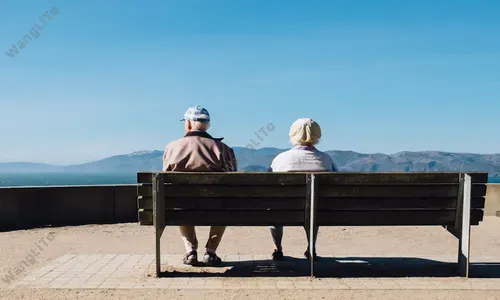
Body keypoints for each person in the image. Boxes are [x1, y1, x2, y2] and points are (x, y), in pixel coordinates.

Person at [163, 105, 237, 266]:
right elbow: (233, 181)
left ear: (189, 124)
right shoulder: (223, 149)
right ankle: (210, 251)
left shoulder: (172, 148)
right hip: (216, 206)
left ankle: (190, 251)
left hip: (182, 206)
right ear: (207, 125)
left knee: (180, 203)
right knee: (223, 205)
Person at [268, 118, 338, 261]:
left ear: (292, 135)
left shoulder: (281, 159)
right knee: (313, 207)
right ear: (318, 135)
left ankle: (278, 248)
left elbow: (268, 185)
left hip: (283, 210)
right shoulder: (326, 159)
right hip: (318, 210)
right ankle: (310, 247)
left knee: (274, 209)